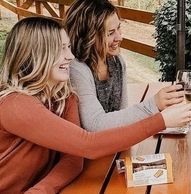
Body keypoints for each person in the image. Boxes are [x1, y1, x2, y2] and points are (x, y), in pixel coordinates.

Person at [0, 17, 191, 193]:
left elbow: (74, 158)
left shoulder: (65, 95)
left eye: (68, 47)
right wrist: (161, 121)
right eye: (61, 49)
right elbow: (88, 145)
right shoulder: (14, 103)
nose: (70, 56)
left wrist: (42, 190)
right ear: (36, 54)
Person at [64, 0, 184, 131]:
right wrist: (153, 104)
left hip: (112, 147)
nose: (119, 37)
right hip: (86, 150)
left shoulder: (116, 62)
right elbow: (95, 124)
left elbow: (123, 115)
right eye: (110, 33)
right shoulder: (77, 68)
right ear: (89, 36)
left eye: (119, 28)